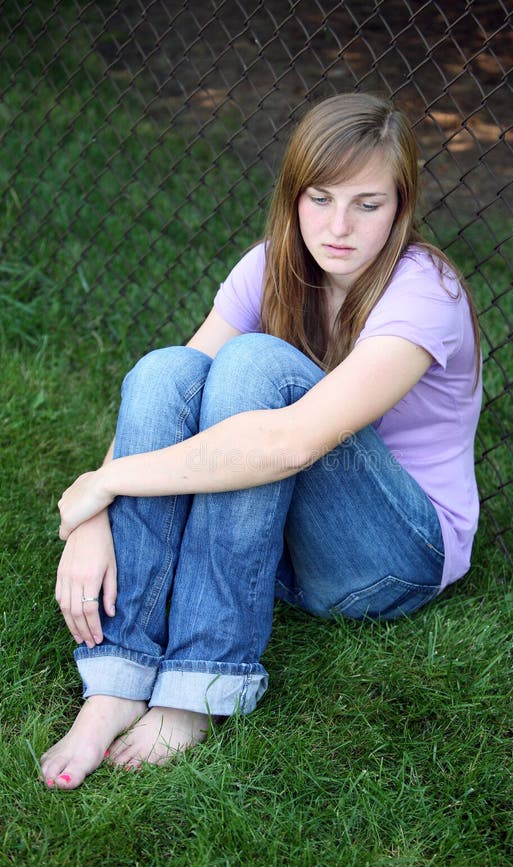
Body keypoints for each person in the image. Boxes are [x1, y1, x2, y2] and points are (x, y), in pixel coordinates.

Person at [40, 92, 482, 789]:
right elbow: (170, 393)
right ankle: (117, 679)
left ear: (401, 207)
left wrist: (110, 482)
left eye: (367, 203)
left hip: (393, 555)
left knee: (255, 365)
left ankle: (199, 688)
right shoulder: (275, 263)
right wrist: (92, 511)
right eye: (320, 198)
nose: (338, 226)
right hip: (284, 548)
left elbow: (291, 444)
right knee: (166, 369)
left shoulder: (425, 292)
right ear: (292, 195)